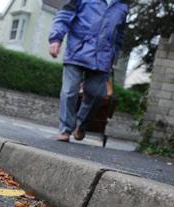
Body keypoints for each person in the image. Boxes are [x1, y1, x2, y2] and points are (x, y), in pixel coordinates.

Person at [49, 0, 128, 142]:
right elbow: (64, 15)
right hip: (77, 51)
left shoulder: (122, 6)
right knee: (69, 91)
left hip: (102, 58)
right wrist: (56, 39)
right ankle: (65, 130)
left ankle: (81, 125)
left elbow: (119, 35)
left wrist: (113, 55)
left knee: (97, 95)